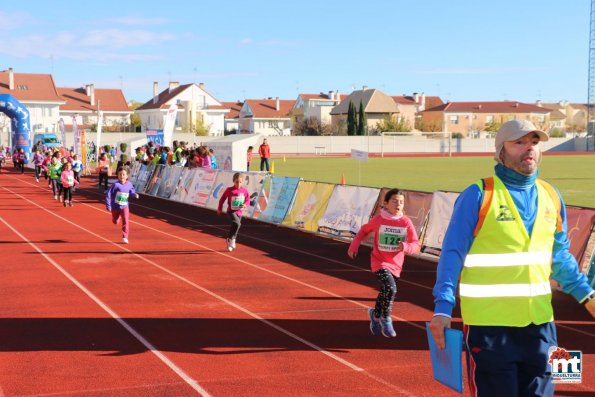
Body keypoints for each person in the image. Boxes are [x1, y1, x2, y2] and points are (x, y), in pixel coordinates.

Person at [429, 119, 595, 397]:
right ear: (500, 151)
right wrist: (442, 308)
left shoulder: (551, 196)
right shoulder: (478, 194)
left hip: (542, 326)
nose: (528, 148)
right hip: (489, 327)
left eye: (534, 142)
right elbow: (452, 254)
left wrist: (587, 296)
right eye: (519, 142)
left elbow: (560, 256)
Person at [347, 189, 420, 337]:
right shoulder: (379, 220)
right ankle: (386, 319)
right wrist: (354, 246)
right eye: (394, 201)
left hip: (396, 265)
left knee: (385, 292)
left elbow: (416, 245)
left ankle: (375, 315)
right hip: (379, 261)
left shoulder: (405, 222)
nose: (398, 204)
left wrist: (405, 247)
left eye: (401, 202)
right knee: (391, 289)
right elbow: (363, 231)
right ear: (385, 204)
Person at [217, 172, 250, 252]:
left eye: (240, 182)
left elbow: (248, 200)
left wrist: (245, 205)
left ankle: (230, 240)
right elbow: (222, 199)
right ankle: (232, 239)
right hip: (231, 211)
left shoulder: (244, 191)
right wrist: (219, 208)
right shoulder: (229, 190)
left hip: (239, 212)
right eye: (236, 182)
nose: (238, 184)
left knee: (236, 226)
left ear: (242, 182)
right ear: (233, 181)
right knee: (237, 224)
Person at [106, 167, 139, 244]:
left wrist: (134, 195)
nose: (122, 176)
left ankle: (125, 236)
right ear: (118, 175)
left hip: (125, 206)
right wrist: (108, 205)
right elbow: (108, 194)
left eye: (123, 174)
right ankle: (116, 218)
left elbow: (131, 192)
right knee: (115, 221)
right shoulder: (115, 185)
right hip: (115, 207)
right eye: (120, 174)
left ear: (127, 176)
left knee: (126, 221)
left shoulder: (129, 184)